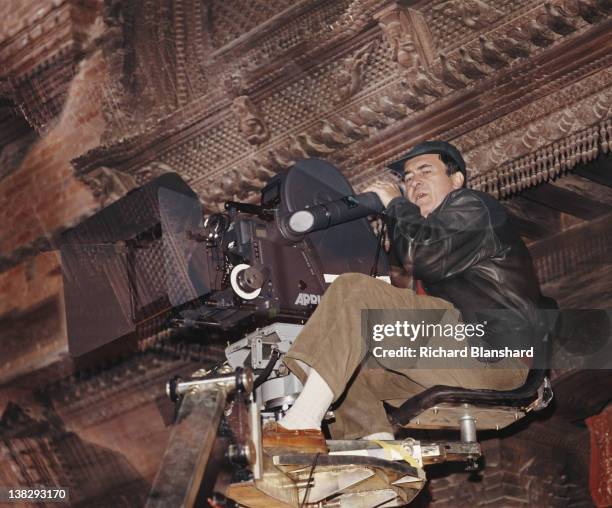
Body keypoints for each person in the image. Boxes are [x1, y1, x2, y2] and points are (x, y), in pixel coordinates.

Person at [262, 140, 544, 453]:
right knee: (346, 353)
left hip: (496, 355)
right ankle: (375, 454)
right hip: (465, 358)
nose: (414, 182)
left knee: (353, 291)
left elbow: (423, 256)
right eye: (408, 179)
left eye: (426, 171)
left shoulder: (474, 205)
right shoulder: (428, 236)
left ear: (457, 179)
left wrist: (395, 204)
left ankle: (301, 424)